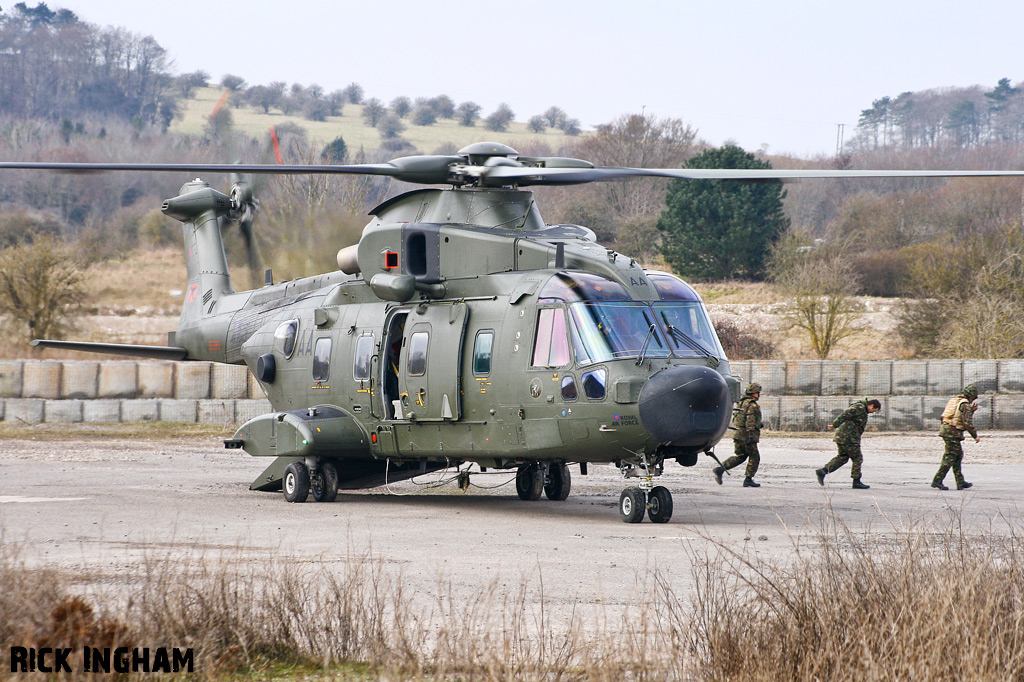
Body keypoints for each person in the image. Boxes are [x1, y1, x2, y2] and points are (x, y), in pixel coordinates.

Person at [815, 398, 881, 489]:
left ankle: (823, 471)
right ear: (871, 405)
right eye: (874, 410)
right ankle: (856, 481)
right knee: (857, 458)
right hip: (849, 438)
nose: (873, 412)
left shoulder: (861, 409)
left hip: (844, 437)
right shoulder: (859, 408)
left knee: (843, 457)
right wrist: (835, 425)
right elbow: (845, 414)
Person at [714, 382, 763, 488]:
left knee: (741, 456)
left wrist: (758, 423)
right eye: (757, 393)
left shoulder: (741, 403)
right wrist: (751, 435)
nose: (758, 395)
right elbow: (750, 420)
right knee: (755, 457)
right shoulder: (752, 405)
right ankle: (748, 479)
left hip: (738, 434)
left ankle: (721, 469)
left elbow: (741, 418)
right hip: (746, 435)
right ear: (753, 393)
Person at [932, 384, 979, 491]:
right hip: (952, 433)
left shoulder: (956, 401)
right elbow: (967, 422)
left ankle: (960, 482)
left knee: (957, 456)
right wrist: (975, 436)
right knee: (950, 457)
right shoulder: (965, 405)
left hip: (946, 430)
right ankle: (937, 480)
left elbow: (953, 415)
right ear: (971, 396)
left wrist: (971, 411)